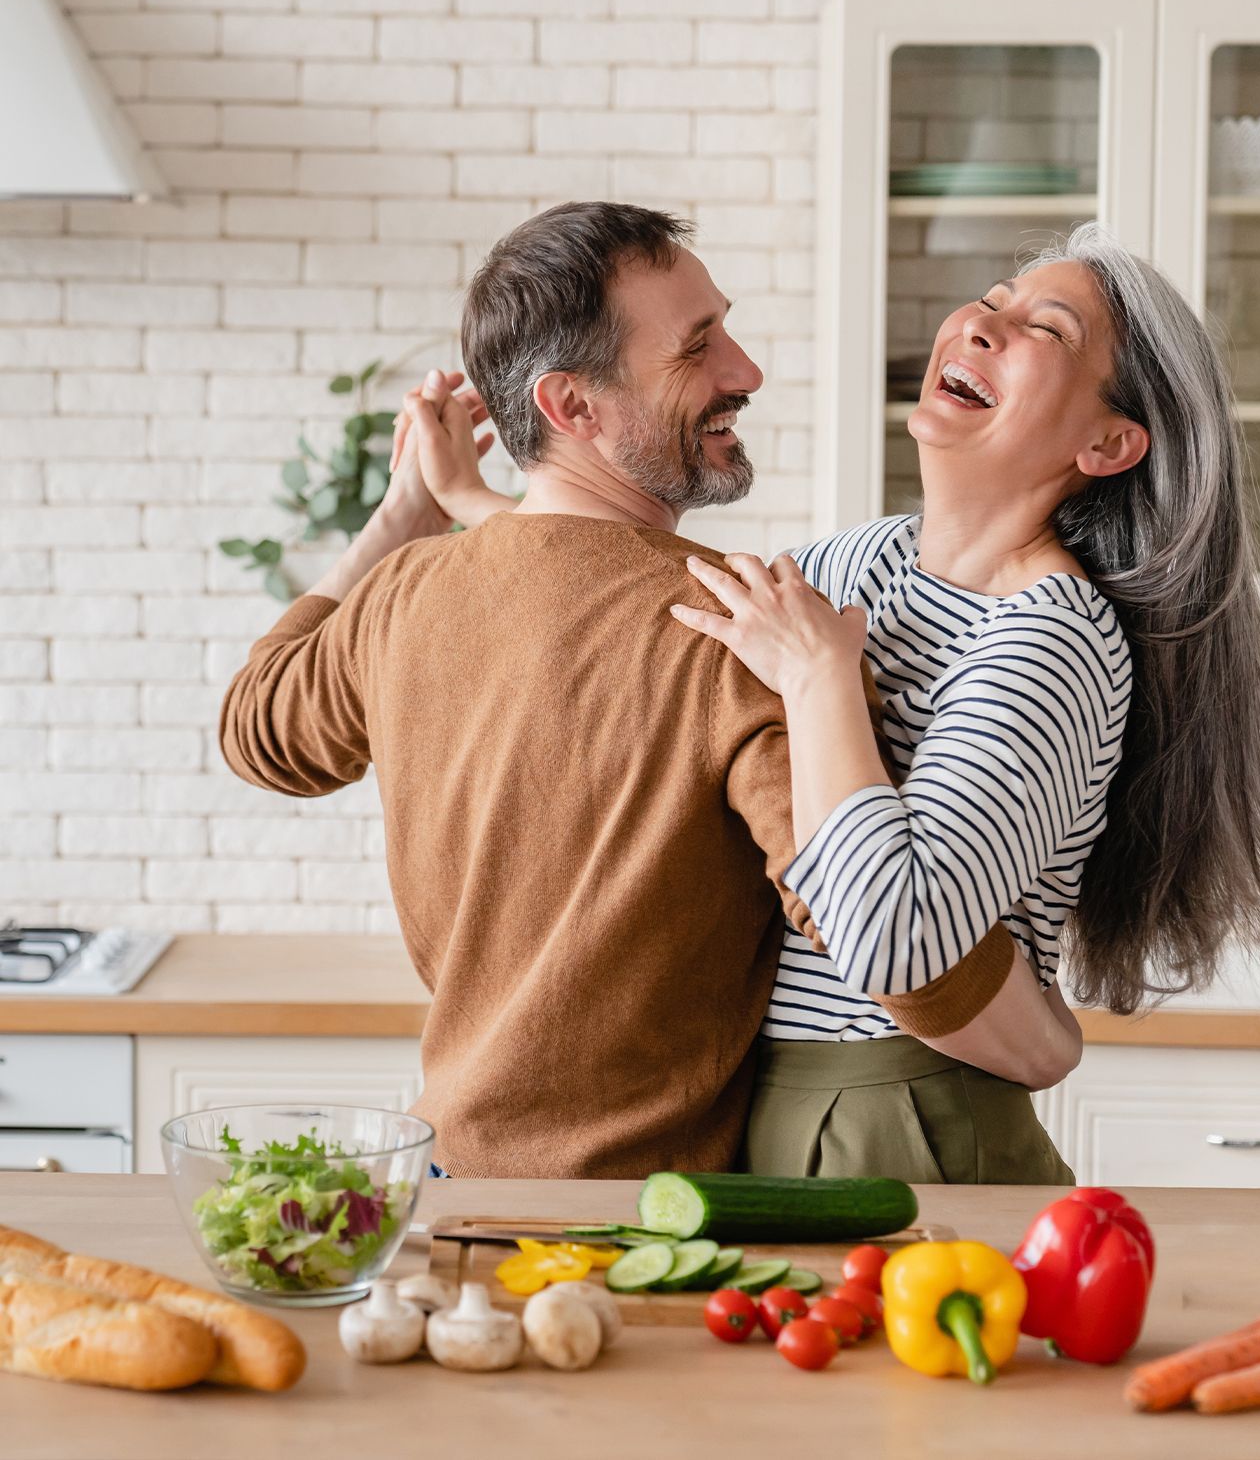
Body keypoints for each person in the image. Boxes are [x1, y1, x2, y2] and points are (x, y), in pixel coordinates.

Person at [414, 218, 1260, 1184]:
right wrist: (471, 502)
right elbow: (652, 609)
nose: (980, 324)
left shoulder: (1051, 638)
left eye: (1044, 330)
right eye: (993, 301)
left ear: (1108, 441)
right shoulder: (859, 561)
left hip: (903, 1116)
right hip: (763, 1106)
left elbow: (896, 938)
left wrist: (822, 680)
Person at [219, 201, 885, 1179]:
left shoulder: (404, 591)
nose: (745, 371)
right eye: (698, 349)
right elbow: (868, 921)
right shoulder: (740, 628)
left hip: (445, 1186)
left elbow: (256, 728)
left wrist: (402, 514)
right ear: (572, 408)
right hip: (639, 1224)